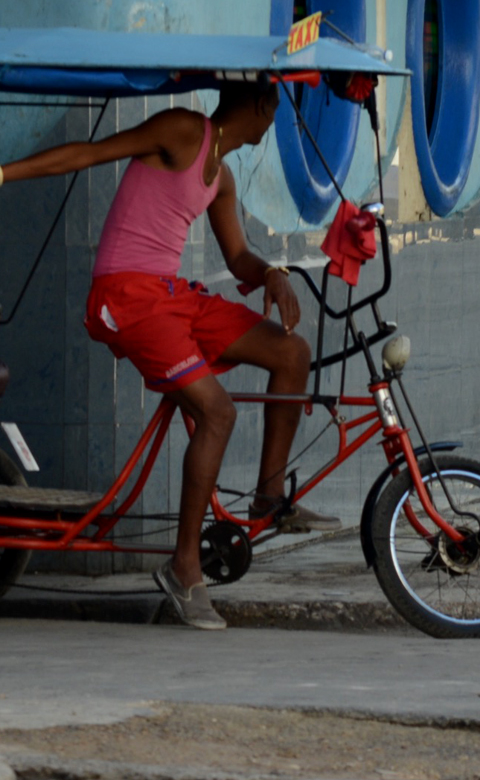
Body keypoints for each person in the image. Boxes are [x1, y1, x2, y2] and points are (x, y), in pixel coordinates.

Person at [0, 81, 338, 630]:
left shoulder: (221, 177)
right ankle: (184, 568)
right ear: (260, 106)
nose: (273, 123)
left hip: (169, 295)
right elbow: (88, 154)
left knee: (291, 353)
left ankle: (270, 498)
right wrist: (2, 173)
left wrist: (272, 274)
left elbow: (238, 257)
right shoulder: (185, 130)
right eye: (275, 111)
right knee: (218, 412)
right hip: (127, 297)